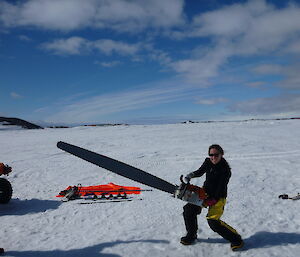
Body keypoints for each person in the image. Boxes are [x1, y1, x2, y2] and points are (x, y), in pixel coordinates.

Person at [180, 144, 244, 251]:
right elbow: (200, 172)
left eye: (216, 155)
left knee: (213, 222)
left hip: (218, 197)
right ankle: (191, 235)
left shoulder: (225, 170)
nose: (213, 157)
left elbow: (220, 188)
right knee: (188, 210)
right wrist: (190, 175)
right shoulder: (208, 162)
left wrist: (211, 200)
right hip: (204, 192)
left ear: (221, 155)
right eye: (211, 155)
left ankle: (236, 239)